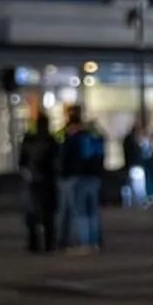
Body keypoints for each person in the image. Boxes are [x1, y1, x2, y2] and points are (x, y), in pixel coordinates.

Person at [58, 106, 106, 254]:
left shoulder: (76, 138)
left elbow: (68, 158)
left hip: (80, 177)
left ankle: (84, 242)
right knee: (92, 211)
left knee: (80, 211)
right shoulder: (95, 138)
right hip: (95, 177)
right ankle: (94, 241)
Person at [19, 113, 60, 254]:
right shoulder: (51, 140)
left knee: (32, 214)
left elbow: (22, 161)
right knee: (48, 215)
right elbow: (56, 162)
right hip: (47, 181)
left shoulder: (29, 139)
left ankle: (34, 244)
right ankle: (49, 243)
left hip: (33, 180)